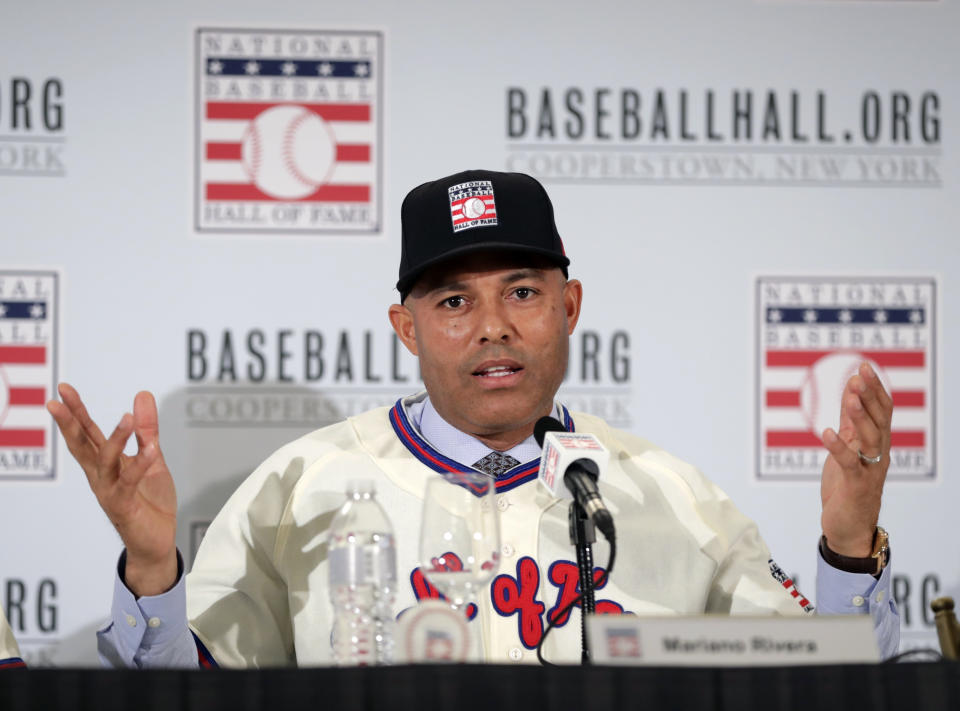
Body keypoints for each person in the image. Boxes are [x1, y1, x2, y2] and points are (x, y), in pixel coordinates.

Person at [48, 170, 898, 667]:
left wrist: (849, 547)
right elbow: (182, 688)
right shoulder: (301, 484)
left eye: (522, 292)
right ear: (407, 328)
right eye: (455, 299)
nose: (493, 326)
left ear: (568, 306)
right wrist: (155, 569)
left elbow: (824, 677)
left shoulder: (670, 494)